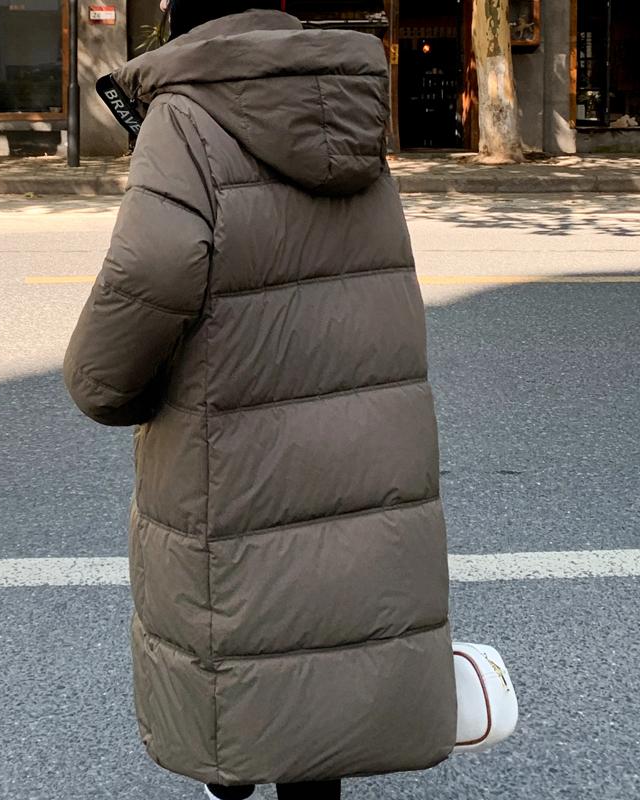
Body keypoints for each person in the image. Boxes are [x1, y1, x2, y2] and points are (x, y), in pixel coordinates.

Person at [63, 2, 456, 798]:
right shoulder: (342, 109)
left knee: (240, 635)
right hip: (357, 435)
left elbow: (152, 269)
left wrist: (101, 386)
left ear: (185, 22)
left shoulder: (186, 118)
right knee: (325, 629)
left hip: (233, 442)